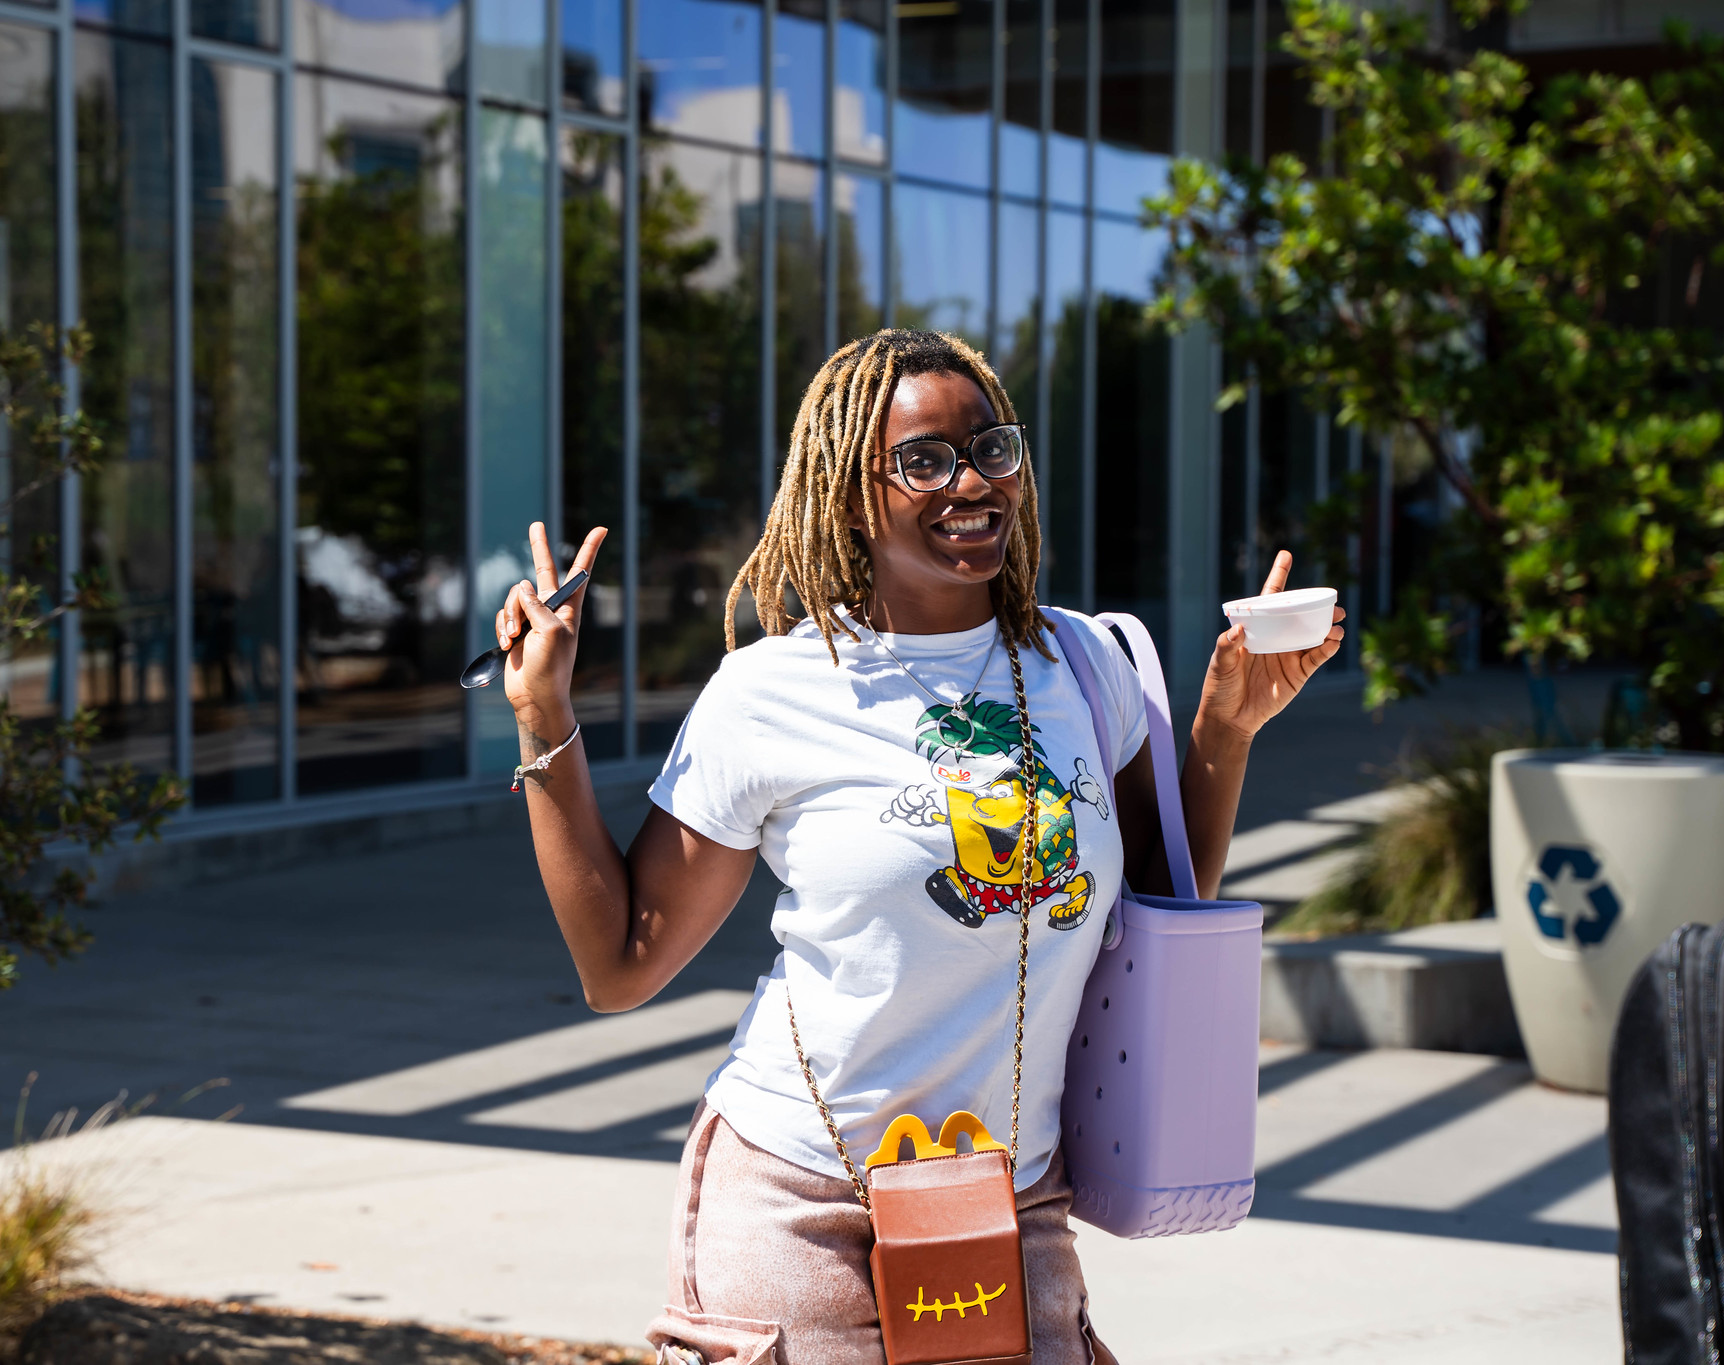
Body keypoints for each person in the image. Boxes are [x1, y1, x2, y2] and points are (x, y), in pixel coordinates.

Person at [493, 329, 1343, 1364]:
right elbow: (620, 966)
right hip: (801, 1197)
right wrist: (542, 715)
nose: (970, 482)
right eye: (924, 460)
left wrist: (1223, 726)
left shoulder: (1084, 664)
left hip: (1008, 1196)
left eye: (992, 449)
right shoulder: (772, 692)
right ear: (851, 491)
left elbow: (1158, 912)